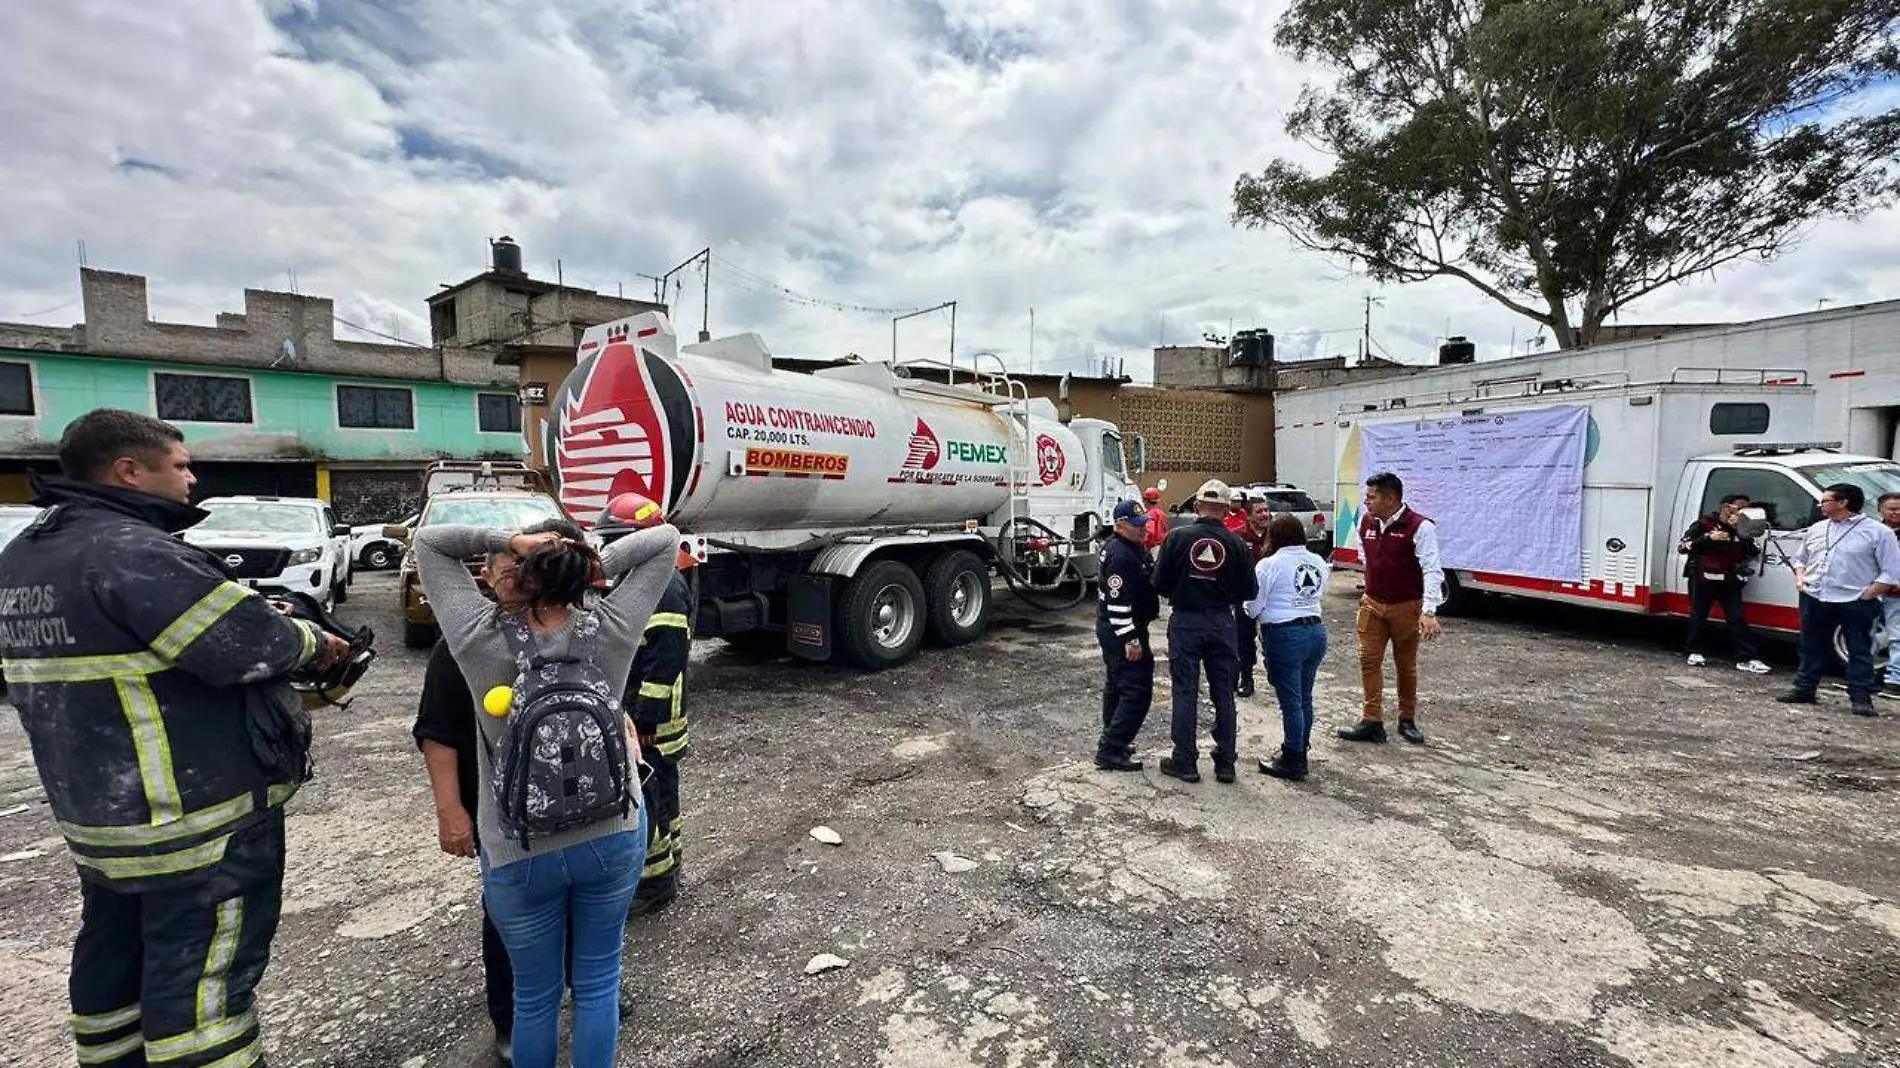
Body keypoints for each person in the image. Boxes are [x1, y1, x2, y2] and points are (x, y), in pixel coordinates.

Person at [0, 408, 348, 1068]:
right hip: (195, 822)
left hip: (102, 824)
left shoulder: (26, 557)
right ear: (129, 470)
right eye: (180, 464)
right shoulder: (134, 554)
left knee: (115, 972)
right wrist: (314, 640)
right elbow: (251, 644)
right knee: (203, 994)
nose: (192, 479)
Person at [416, 510, 679, 1068]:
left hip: (519, 849)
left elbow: (430, 543)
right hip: (612, 836)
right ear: (576, 575)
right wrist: (582, 563)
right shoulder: (610, 629)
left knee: (534, 998)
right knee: (599, 982)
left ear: (516, 574)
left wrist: (512, 541)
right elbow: (664, 541)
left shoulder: (475, 638)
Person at [595, 494, 694, 916]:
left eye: (618, 541)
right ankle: (667, 870)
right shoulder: (642, 581)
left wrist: (644, 716)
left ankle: (653, 885)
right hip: (646, 715)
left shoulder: (664, 586)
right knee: (662, 795)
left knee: (650, 796)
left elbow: (666, 658)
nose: (610, 552)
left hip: (654, 721)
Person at [1153, 479, 1259, 784]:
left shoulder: (1176, 538)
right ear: (1226, 510)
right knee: (1224, 692)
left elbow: (1159, 584)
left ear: (1198, 506)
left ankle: (1185, 762)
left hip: (1186, 621)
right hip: (1222, 622)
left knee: (1185, 691)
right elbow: (1250, 589)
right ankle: (1225, 763)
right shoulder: (1237, 544)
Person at [1338, 471, 1444, 746]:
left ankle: (1406, 718)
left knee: (1405, 664)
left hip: (1406, 606)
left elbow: (1432, 569)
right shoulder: (1367, 522)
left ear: (1391, 498)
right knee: (1368, 660)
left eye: (1371, 497)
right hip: (1373, 604)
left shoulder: (1420, 527)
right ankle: (1372, 720)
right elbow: (1364, 553)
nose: (1366, 502)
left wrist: (1428, 611)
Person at [1778, 482, 1900, 717]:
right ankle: (1805, 688)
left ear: (1843, 503)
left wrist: (1870, 593)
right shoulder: (1817, 528)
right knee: (1810, 644)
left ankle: (1860, 696)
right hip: (1815, 595)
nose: (1820, 505)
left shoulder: (1877, 532)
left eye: (1825, 501)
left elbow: (1891, 571)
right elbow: (1800, 558)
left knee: (1859, 649)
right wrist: (1800, 579)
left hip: (1855, 599)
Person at [1247, 514, 1332, 782]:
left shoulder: (1269, 565)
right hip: (1315, 631)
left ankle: (1293, 756)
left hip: (1284, 633)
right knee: (1305, 696)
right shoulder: (1318, 562)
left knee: (1291, 701)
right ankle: (1301, 746)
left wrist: (1246, 610)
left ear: (1274, 536)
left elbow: (1254, 605)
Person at [1095, 499, 1161, 772]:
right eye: (1137, 525)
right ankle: (1111, 748)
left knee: (1117, 686)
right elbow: (1118, 603)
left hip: (1120, 628)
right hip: (1122, 630)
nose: (1144, 528)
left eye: (1144, 522)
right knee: (1137, 690)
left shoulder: (1127, 548)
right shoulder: (1121, 555)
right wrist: (1130, 639)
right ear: (1120, 526)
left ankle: (1114, 740)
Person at [1679, 493, 1770, 674]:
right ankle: (1694, 651)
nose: (1743, 513)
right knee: (1698, 615)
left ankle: (1747, 657)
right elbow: (1683, 546)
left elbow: (1753, 551)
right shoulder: (1704, 524)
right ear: (1726, 507)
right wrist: (1707, 538)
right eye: (1739, 508)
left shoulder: (1743, 529)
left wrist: (1741, 533)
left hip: (1729, 580)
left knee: (1736, 617)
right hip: (1702, 578)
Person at [1231, 501, 1272, 698]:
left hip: (1271, 598)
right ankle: (1246, 678)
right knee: (1244, 639)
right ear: (1248, 516)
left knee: (1272, 638)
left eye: (1266, 510)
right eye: (1260, 511)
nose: (1265, 514)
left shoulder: (1275, 536)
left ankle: (1276, 675)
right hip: (1245, 596)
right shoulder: (1238, 537)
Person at [1880, 492, 1900, 699]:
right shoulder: (1873, 531)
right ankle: (1863, 678)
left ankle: (1895, 682)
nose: (1896, 513)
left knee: (1897, 638)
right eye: (1892, 509)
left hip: (1896, 594)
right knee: (1865, 636)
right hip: (1871, 591)